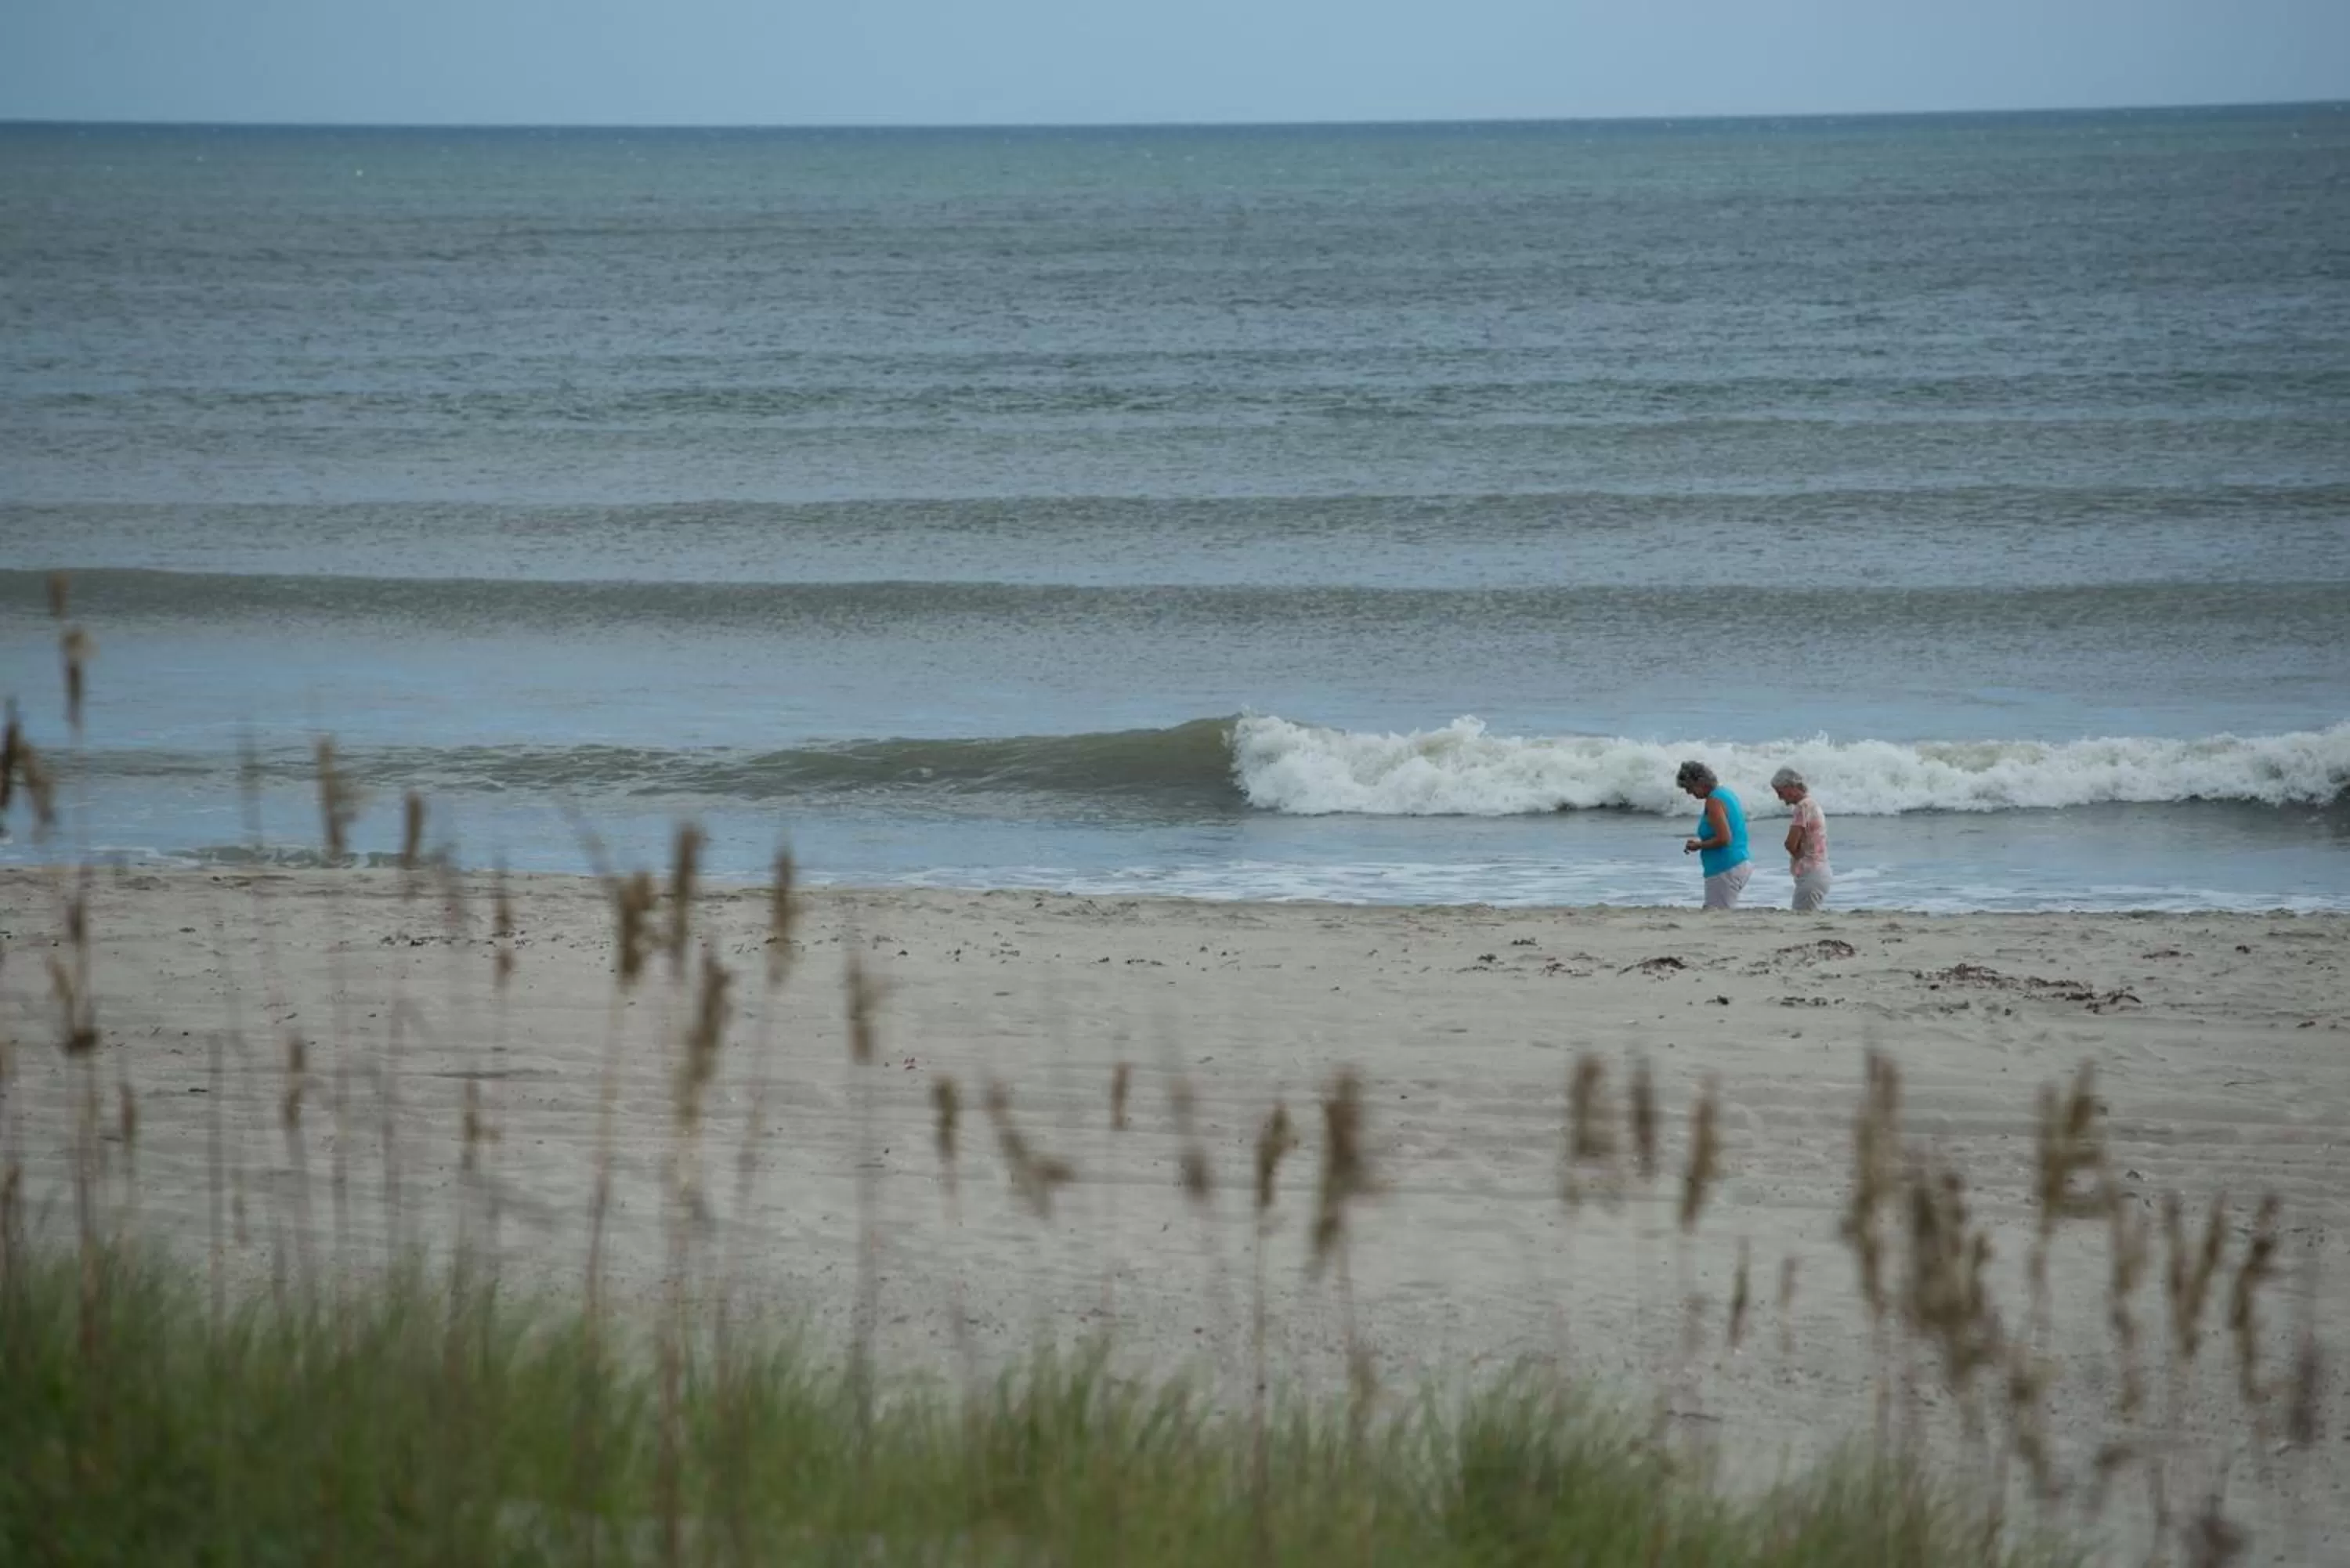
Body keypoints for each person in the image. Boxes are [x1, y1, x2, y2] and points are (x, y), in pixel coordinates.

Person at [1676, 760, 1750, 909]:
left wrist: (1699, 845)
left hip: (1724, 866)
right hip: (1739, 861)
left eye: (1689, 788)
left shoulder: (1714, 801)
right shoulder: (1726, 794)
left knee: (1716, 914)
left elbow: (1724, 838)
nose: (1689, 793)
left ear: (1700, 782)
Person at [1772, 765, 1832, 911]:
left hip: (1811, 873)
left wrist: (1799, 858)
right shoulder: (1812, 804)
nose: (1780, 797)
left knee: (1801, 917)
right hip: (1821, 869)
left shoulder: (1803, 807)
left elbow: (1791, 843)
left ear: (1791, 787)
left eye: (1780, 792)